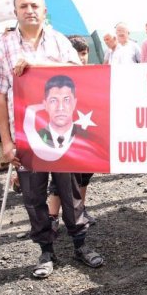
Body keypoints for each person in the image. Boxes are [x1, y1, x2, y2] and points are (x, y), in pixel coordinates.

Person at [0, 0, 103, 279]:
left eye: (35, 5)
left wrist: (39, 66)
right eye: (23, 6)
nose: (30, 10)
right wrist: (6, 143)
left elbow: (79, 75)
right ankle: (46, 251)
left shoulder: (60, 42)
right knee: (34, 197)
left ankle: (80, 244)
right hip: (26, 138)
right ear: (16, 13)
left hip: (64, 136)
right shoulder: (3, 48)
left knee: (70, 193)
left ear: (44, 10)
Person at [47, 36, 96, 227]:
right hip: (63, 134)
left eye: (84, 53)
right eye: (77, 54)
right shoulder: (58, 78)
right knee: (60, 175)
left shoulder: (95, 74)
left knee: (85, 174)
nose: (81, 58)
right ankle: (52, 217)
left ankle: (80, 210)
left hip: (87, 134)